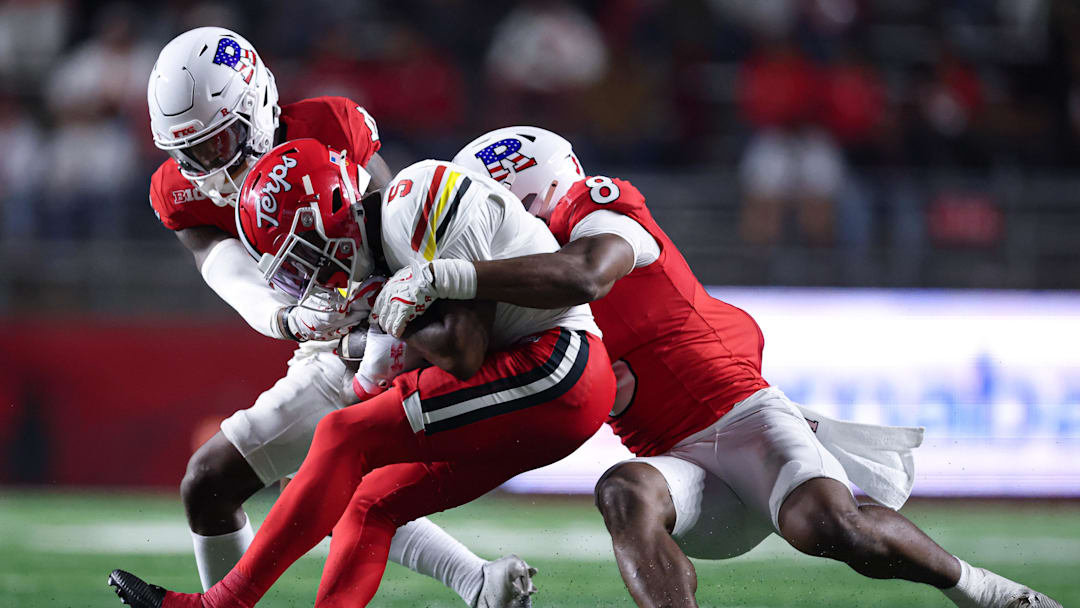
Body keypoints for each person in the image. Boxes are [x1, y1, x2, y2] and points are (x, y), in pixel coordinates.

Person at [369, 126, 1065, 608]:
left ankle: (980, 589)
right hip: (679, 466)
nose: (484, 229)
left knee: (830, 528)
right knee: (623, 492)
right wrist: (376, 320)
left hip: (744, 417)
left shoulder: (598, 205)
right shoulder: (497, 292)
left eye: (491, 212)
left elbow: (585, 273)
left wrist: (450, 276)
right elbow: (455, 354)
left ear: (528, 195)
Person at [108, 138, 616, 607]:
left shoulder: (420, 198)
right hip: (531, 381)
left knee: (341, 436)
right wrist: (380, 321)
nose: (307, 279)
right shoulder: (382, 254)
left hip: (558, 365)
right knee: (364, 502)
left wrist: (389, 316)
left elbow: (462, 349)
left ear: (330, 217)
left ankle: (222, 602)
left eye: (301, 259)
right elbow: (378, 380)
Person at [140, 27, 531, 605]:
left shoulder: (329, 125)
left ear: (258, 105)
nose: (207, 167)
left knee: (241, 479)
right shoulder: (181, 191)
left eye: (220, 145)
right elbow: (220, 265)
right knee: (282, 480)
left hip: (387, 319)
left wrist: (374, 334)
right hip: (319, 326)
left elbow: (400, 234)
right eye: (191, 153)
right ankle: (478, 580)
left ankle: (476, 581)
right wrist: (284, 317)